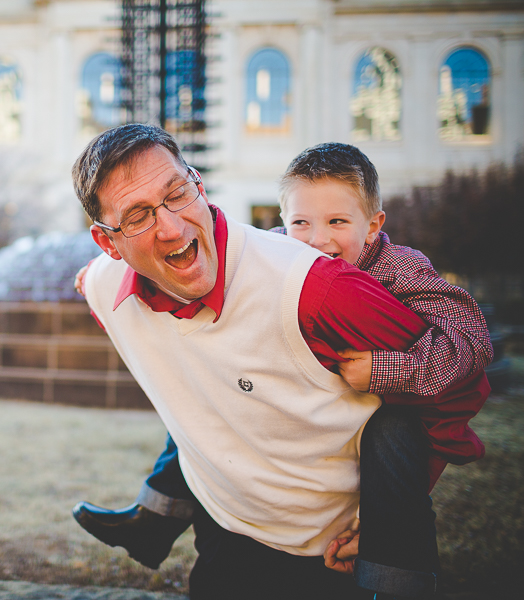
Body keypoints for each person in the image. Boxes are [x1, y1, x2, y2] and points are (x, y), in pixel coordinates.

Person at [70, 127, 491, 599]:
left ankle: (395, 569)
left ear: (198, 185)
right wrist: (91, 280)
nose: (170, 226)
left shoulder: (328, 285)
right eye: (138, 216)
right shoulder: (110, 282)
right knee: (189, 381)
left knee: (393, 429)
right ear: (109, 244)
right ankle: (156, 514)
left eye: (175, 194)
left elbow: (464, 371)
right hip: (222, 523)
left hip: (320, 550)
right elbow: (94, 281)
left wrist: (383, 371)